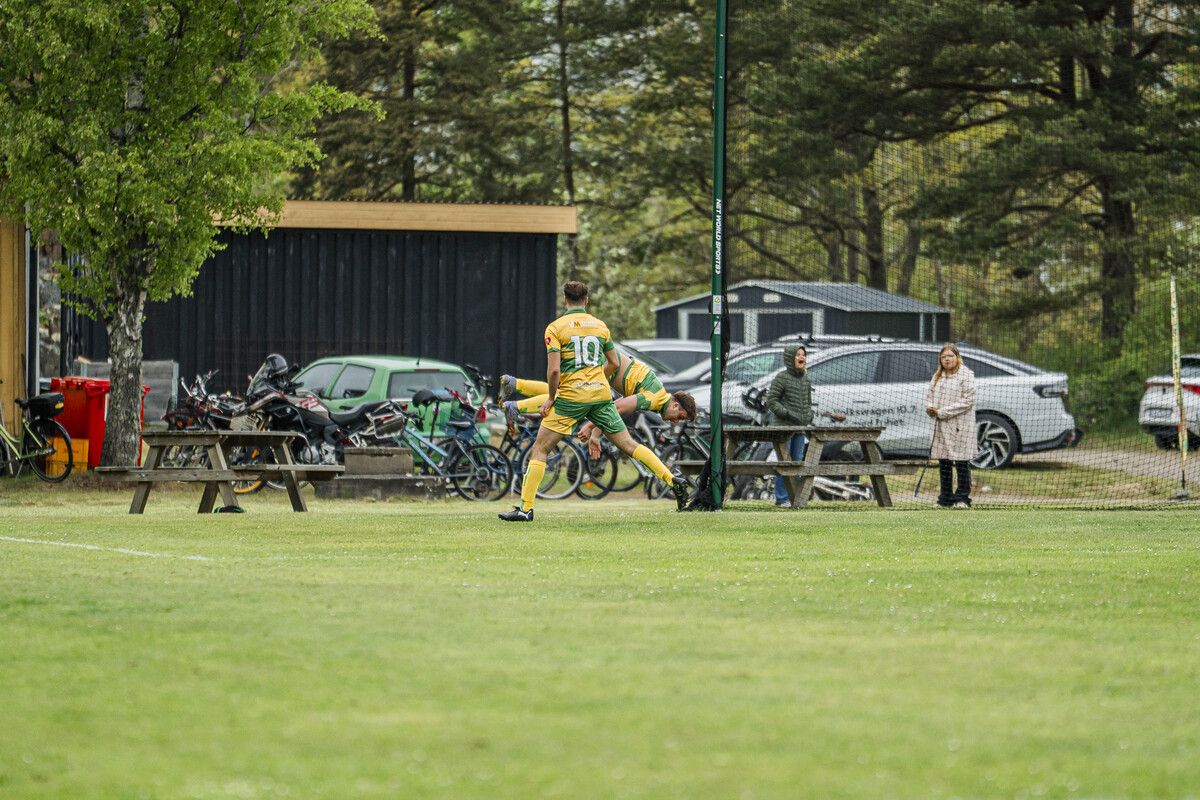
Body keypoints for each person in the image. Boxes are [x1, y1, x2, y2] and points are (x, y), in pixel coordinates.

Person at [499, 281, 690, 521]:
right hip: (601, 395)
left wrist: (551, 399)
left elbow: (554, 371)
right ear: (586, 300)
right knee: (630, 445)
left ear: (565, 300)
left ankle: (525, 509)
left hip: (572, 397)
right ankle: (671, 480)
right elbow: (614, 362)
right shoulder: (600, 326)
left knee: (540, 449)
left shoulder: (555, 328)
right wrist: (596, 379)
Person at [765, 344, 827, 508]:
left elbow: (807, 402)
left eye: (803, 354)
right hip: (783, 429)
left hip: (799, 429)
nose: (801, 357)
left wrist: (809, 415)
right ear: (790, 358)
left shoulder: (806, 378)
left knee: (797, 463)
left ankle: (796, 498)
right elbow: (771, 400)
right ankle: (782, 498)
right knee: (785, 463)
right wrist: (786, 414)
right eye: (798, 354)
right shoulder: (782, 378)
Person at [925, 343, 977, 509]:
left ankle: (962, 498)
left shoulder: (966, 375)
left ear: (957, 357)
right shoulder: (937, 376)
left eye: (950, 356)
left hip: (960, 426)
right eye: (943, 357)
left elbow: (968, 401)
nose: (947, 360)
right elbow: (929, 396)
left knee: (961, 462)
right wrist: (930, 408)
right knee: (944, 462)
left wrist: (943, 412)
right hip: (941, 427)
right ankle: (945, 498)